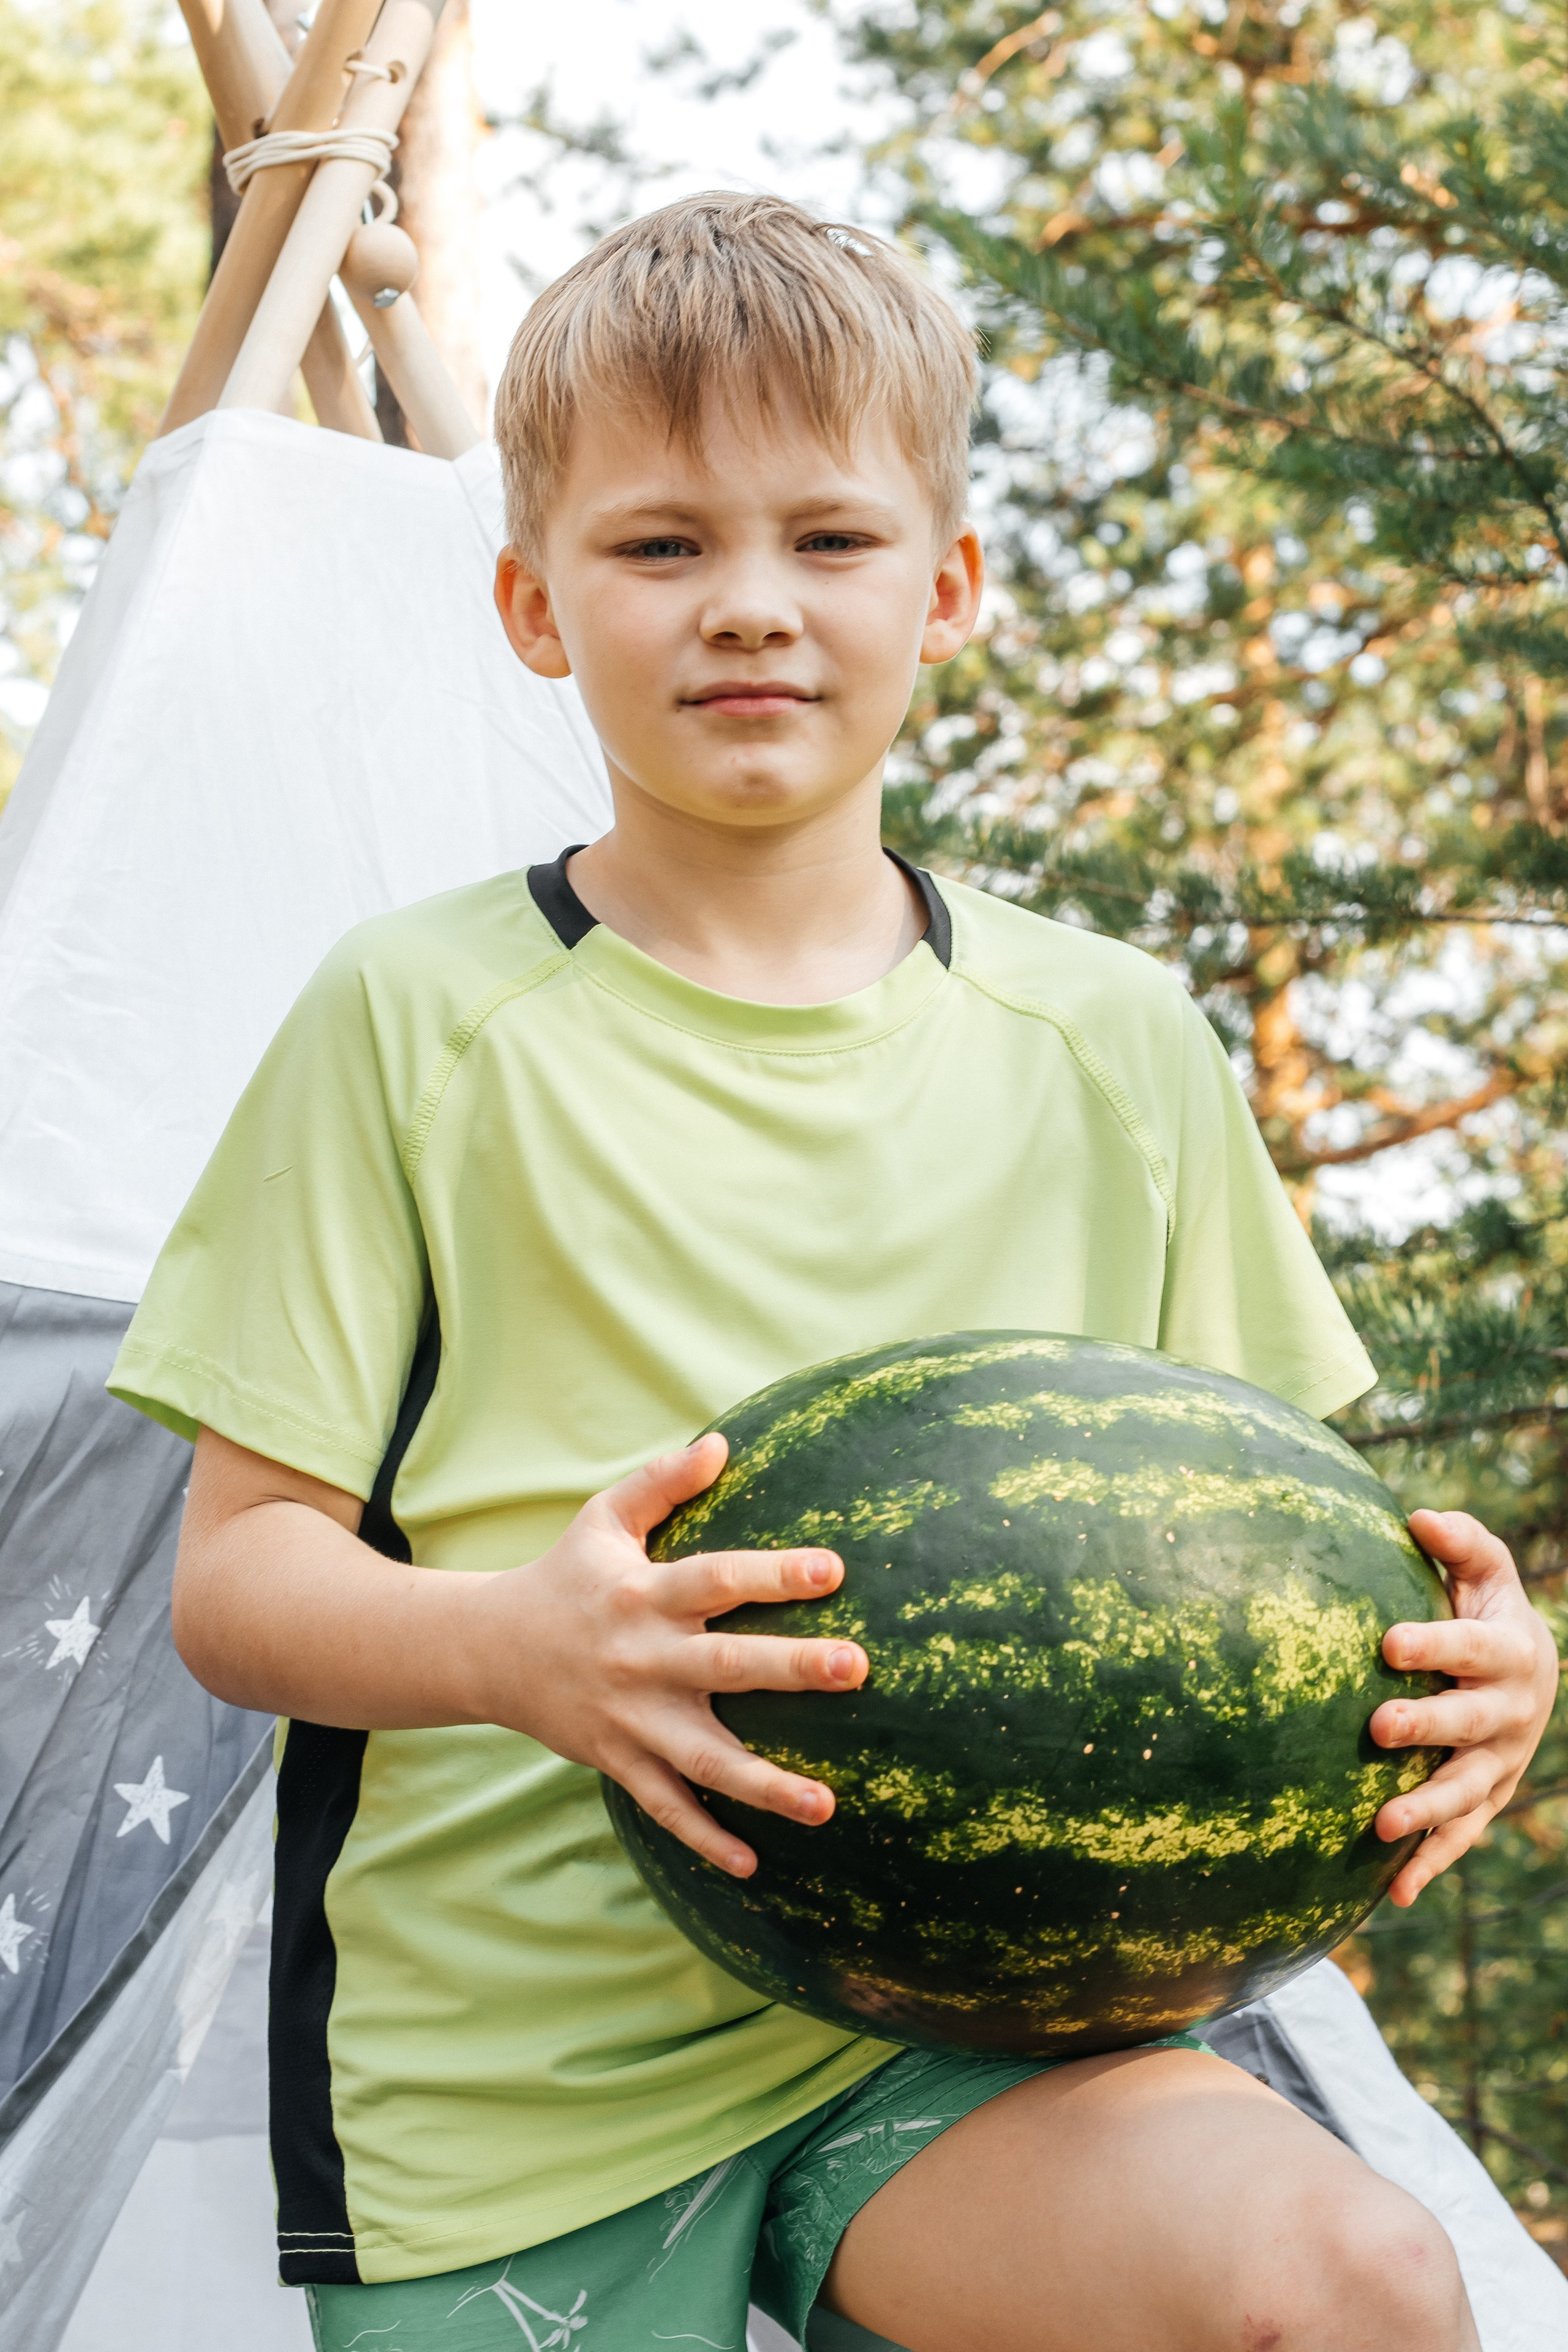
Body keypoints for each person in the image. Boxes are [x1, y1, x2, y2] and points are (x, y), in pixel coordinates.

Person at [110, 194, 1556, 2352]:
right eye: (661, 544)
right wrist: (526, 1648)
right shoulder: (412, 1020)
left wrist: (1480, 1673)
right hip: (525, 2084)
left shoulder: (1116, 1041)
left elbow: (1301, 1562)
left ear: (945, 586)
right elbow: (236, 1589)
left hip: (985, 2024)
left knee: (1348, 2287)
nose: (751, 605)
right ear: (533, 607)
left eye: (832, 539)